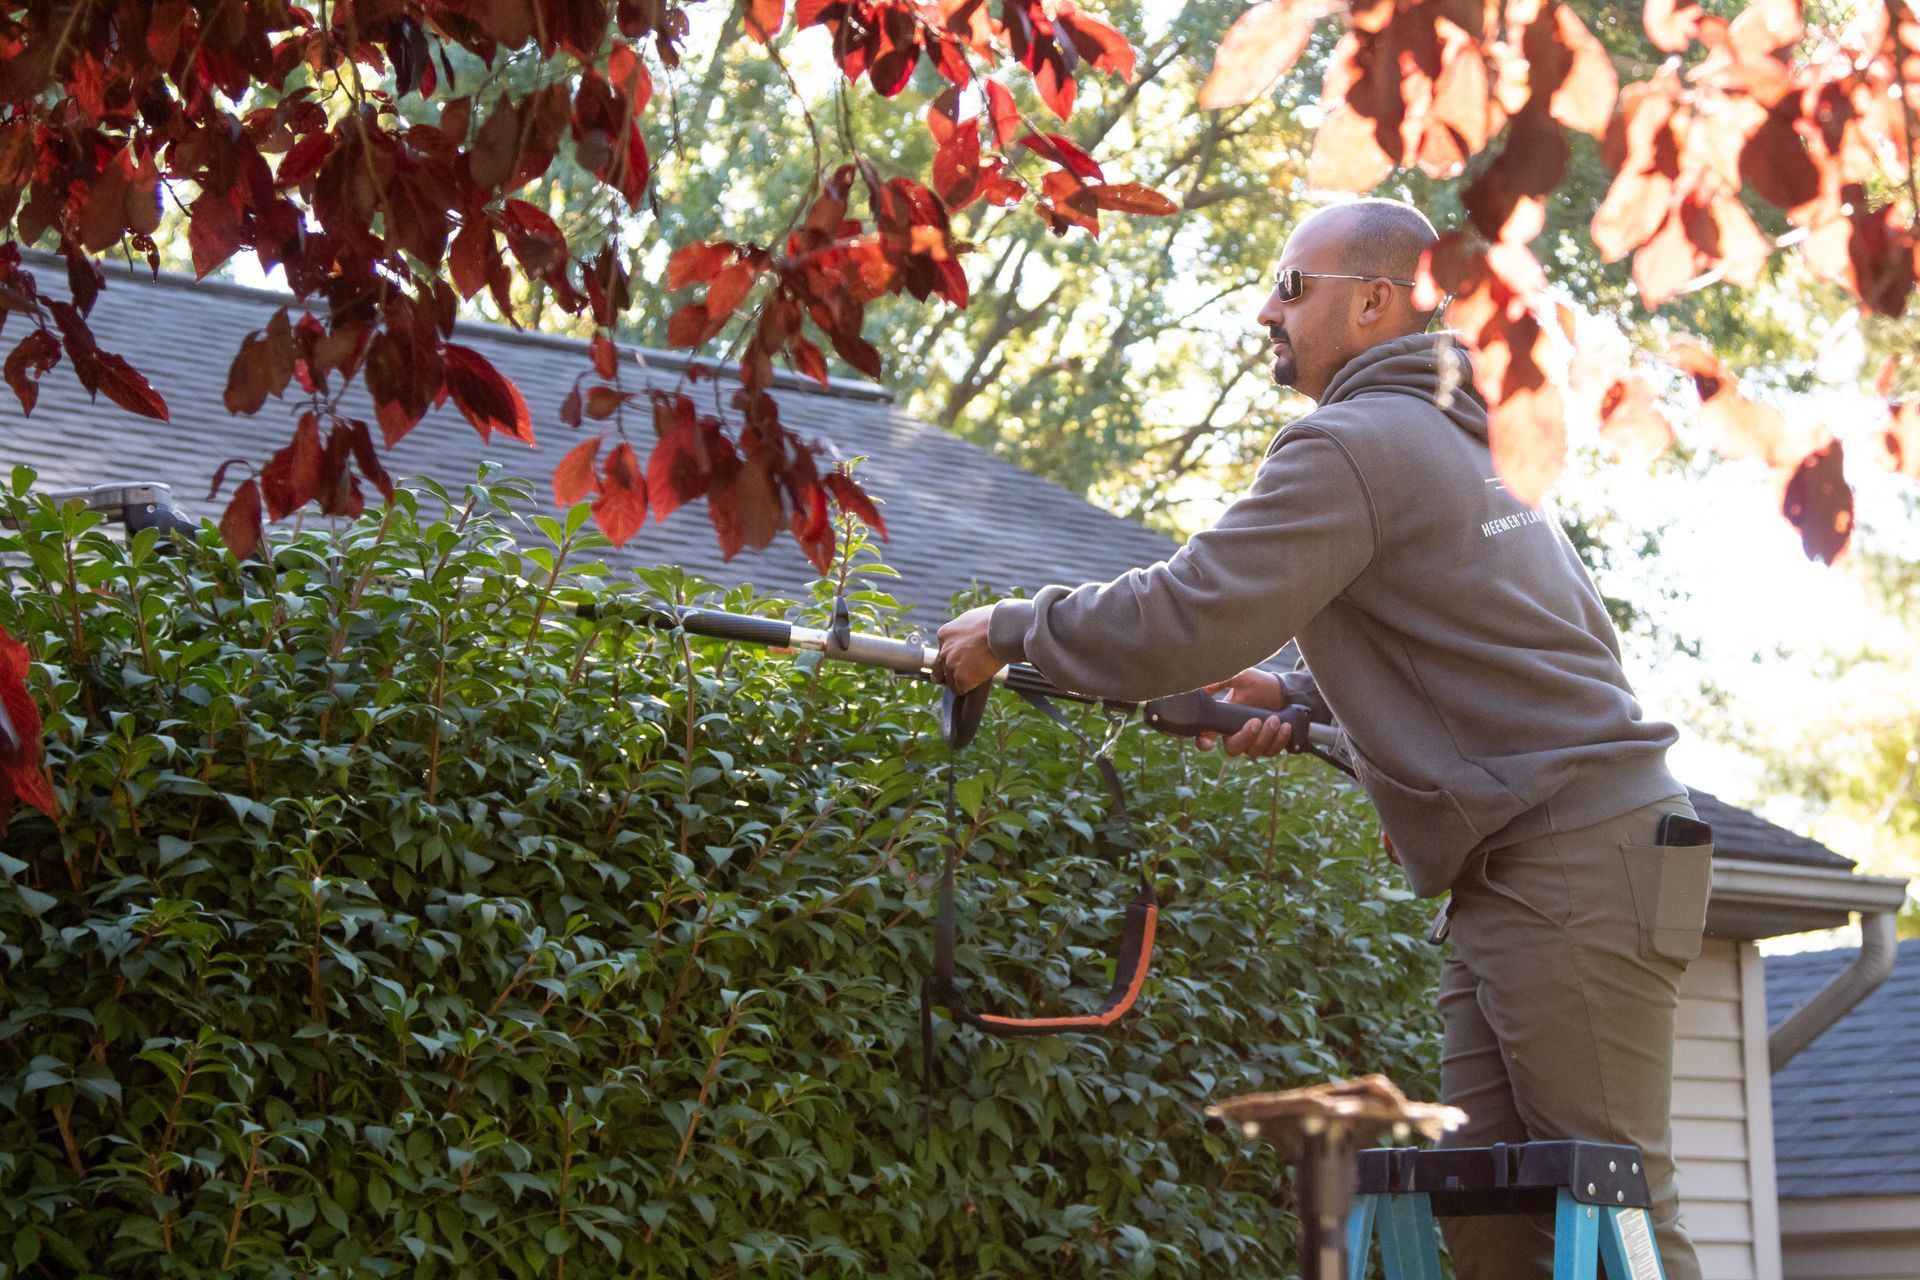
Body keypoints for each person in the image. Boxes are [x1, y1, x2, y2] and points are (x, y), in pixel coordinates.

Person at [931, 197, 1712, 1280]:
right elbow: (1488, 656)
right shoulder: (1460, 437)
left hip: (1572, 856)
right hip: (1529, 864)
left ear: (1376, 302)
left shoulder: (1354, 442)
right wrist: (1300, 698)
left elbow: (1184, 610)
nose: (1266, 308)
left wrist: (1014, 628)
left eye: (1291, 287)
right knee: (1496, 1216)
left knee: (1617, 1195)